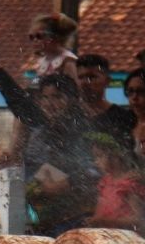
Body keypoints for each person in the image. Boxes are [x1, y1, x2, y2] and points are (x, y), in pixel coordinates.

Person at [22, 73, 100, 235]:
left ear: (71, 100)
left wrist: (68, 182)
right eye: (45, 98)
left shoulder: (83, 130)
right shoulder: (38, 131)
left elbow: (96, 169)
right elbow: (32, 166)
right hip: (40, 218)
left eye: (57, 97)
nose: (50, 104)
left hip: (75, 217)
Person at [75, 55, 137, 148]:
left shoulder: (123, 118)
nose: (85, 82)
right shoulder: (68, 115)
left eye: (92, 77)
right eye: (81, 77)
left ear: (107, 81)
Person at [27, 14, 80, 82]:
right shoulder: (41, 62)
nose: (35, 41)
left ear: (55, 36)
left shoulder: (68, 61)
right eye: (31, 37)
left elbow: (75, 89)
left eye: (39, 36)